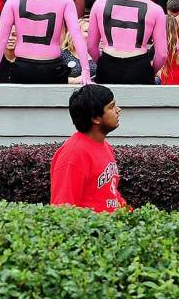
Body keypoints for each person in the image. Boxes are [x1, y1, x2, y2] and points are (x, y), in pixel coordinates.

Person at [86, 0, 168, 84]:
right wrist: (149, 72)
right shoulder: (155, 9)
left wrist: (103, 63)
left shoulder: (100, 3)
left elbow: (91, 46)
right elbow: (162, 54)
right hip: (140, 66)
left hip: (108, 63)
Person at [50, 84, 128, 213]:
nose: (118, 110)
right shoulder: (73, 154)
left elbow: (111, 193)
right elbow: (62, 210)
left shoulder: (104, 145)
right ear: (96, 119)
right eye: (111, 107)